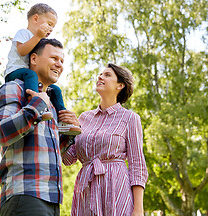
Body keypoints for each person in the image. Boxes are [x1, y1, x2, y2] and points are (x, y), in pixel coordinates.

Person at [0, 38, 80, 216]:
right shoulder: (14, 88)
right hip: (25, 195)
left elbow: (58, 153)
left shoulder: (52, 103)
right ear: (33, 59)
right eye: (54, 58)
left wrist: (70, 133)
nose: (59, 64)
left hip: (52, 200)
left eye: (62, 61)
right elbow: (2, 132)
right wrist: (35, 106)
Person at [62, 63, 148, 216]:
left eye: (107, 75)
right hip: (86, 191)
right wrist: (69, 131)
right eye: (100, 74)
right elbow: (68, 159)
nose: (100, 76)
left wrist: (138, 210)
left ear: (120, 85)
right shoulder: (84, 118)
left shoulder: (130, 118)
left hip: (116, 191)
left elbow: (137, 165)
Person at [4, 2, 80, 135]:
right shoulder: (24, 33)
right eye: (49, 24)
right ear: (35, 19)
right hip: (15, 72)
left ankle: (63, 120)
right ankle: (34, 103)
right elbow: (22, 51)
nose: (51, 29)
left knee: (55, 89)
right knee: (31, 75)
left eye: (53, 27)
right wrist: (38, 36)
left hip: (27, 75)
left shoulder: (38, 42)